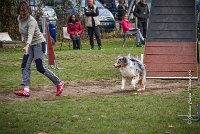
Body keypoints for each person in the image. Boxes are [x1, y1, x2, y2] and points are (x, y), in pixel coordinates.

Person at [14, 1, 64, 97]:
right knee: (25, 65)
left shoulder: (31, 20)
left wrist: (27, 44)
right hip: (29, 45)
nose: (22, 13)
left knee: (40, 67)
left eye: (24, 12)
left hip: (38, 44)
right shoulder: (19, 19)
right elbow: (23, 32)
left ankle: (59, 83)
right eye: (21, 11)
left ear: (28, 11)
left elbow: (30, 34)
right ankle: (26, 89)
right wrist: (26, 44)